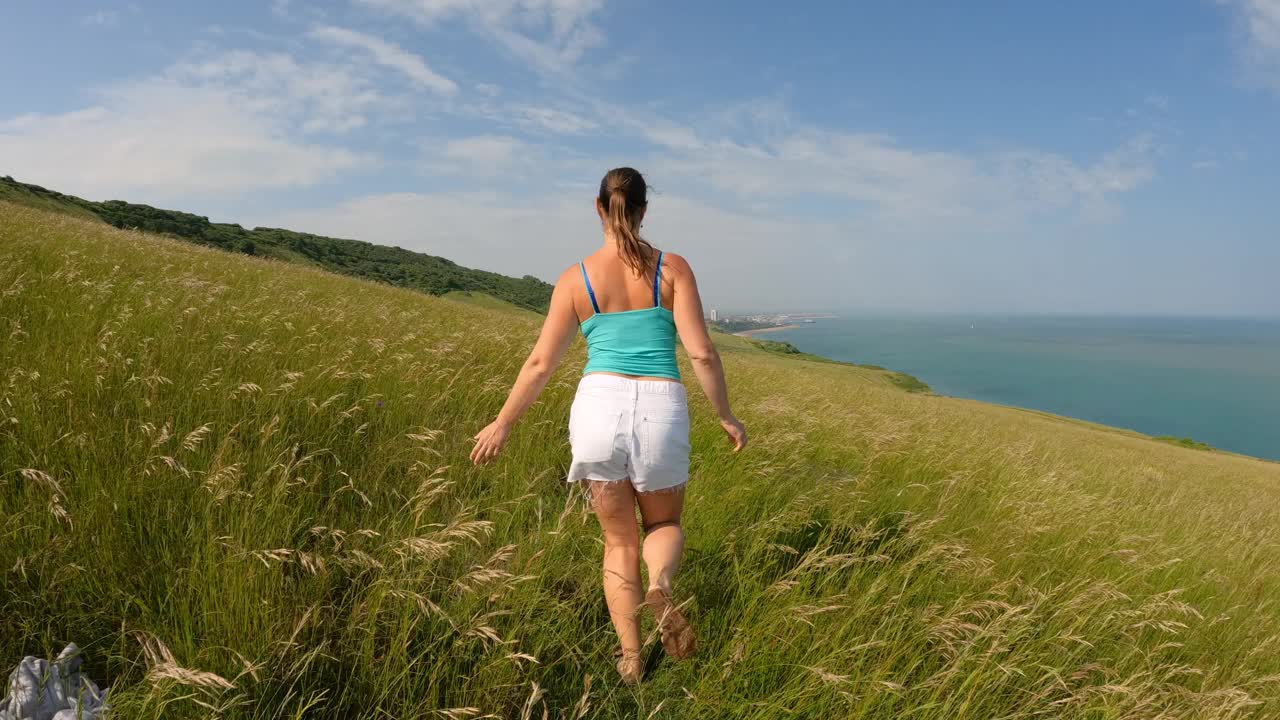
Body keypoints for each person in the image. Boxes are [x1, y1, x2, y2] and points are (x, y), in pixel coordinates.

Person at [470, 167, 747, 685]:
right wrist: (726, 417)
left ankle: (631, 659)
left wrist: (502, 423)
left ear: (598, 207)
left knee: (617, 542)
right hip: (661, 407)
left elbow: (539, 364)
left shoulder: (575, 278)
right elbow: (703, 354)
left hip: (598, 408)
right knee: (662, 526)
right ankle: (660, 587)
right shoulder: (673, 269)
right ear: (644, 211)